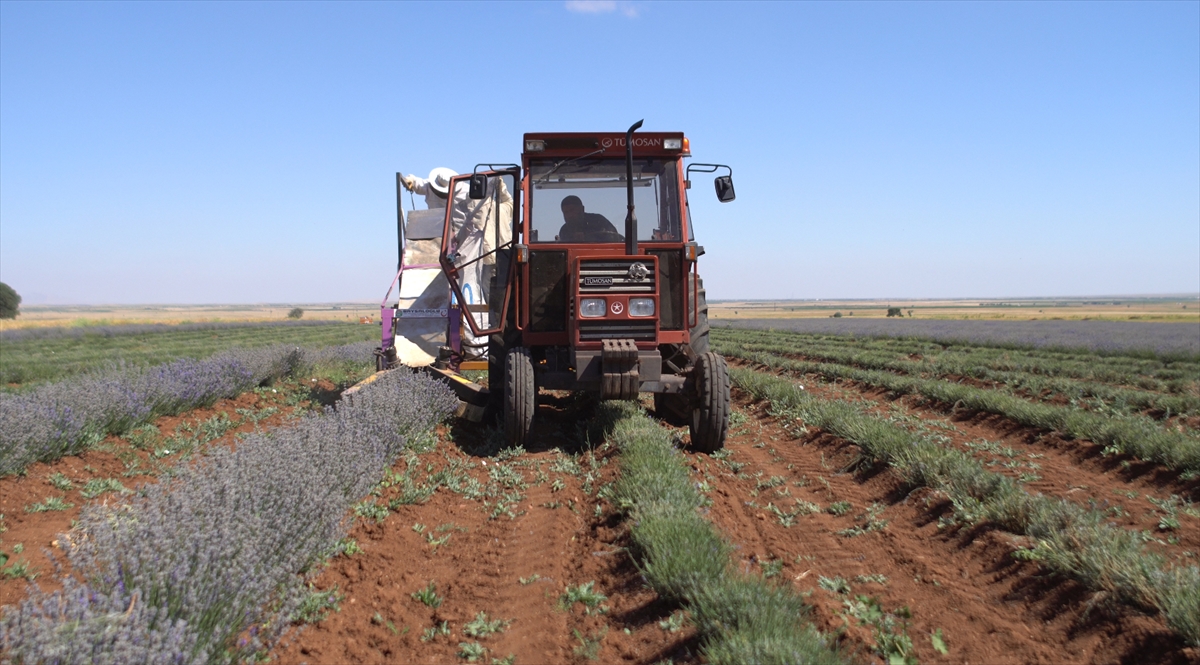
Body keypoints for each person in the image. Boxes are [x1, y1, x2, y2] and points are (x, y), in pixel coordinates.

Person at [557, 195, 622, 242]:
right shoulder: (564, 230)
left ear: (582, 209)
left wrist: (589, 239)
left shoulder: (599, 221)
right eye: (566, 212)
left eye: (572, 210)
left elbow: (614, 239)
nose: (570, 215)